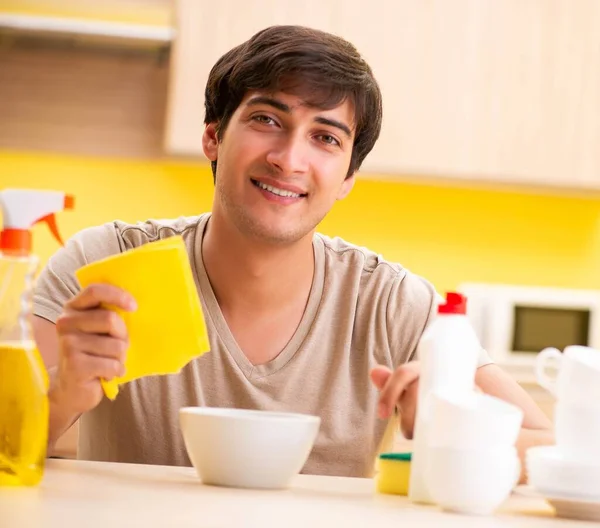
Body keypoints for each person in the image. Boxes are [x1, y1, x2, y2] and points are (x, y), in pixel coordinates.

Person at [33, 25, 553, 479]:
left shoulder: (391, 302)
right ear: (214, 137)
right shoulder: (106, 266)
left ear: (348, 177)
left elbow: (550, 446)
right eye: (267, 120)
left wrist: (458, 423)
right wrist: (65, 393)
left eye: (325, 137)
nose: (289, 159)